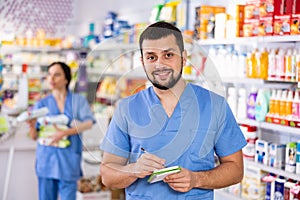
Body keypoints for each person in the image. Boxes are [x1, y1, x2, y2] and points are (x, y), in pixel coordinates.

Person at [99, 21, 247, 199]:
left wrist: (196, 179)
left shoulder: (215, 106)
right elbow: (107, 175)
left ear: (184, 57)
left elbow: (236, 169)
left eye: (168, 55)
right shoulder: (127, 109)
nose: (160, 64)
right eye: (151, 57)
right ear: (142, 61)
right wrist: (134, 170)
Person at [27, 62, 95, 200]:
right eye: (50, 75)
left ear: (66, 79)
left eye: (57, 75)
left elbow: (89, 123)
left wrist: (65, 133)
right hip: (46, 162)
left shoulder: (78, 101)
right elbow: (34, 137)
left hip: (68, 162)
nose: (52, 79)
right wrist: (32, 125)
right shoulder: (42, 104)